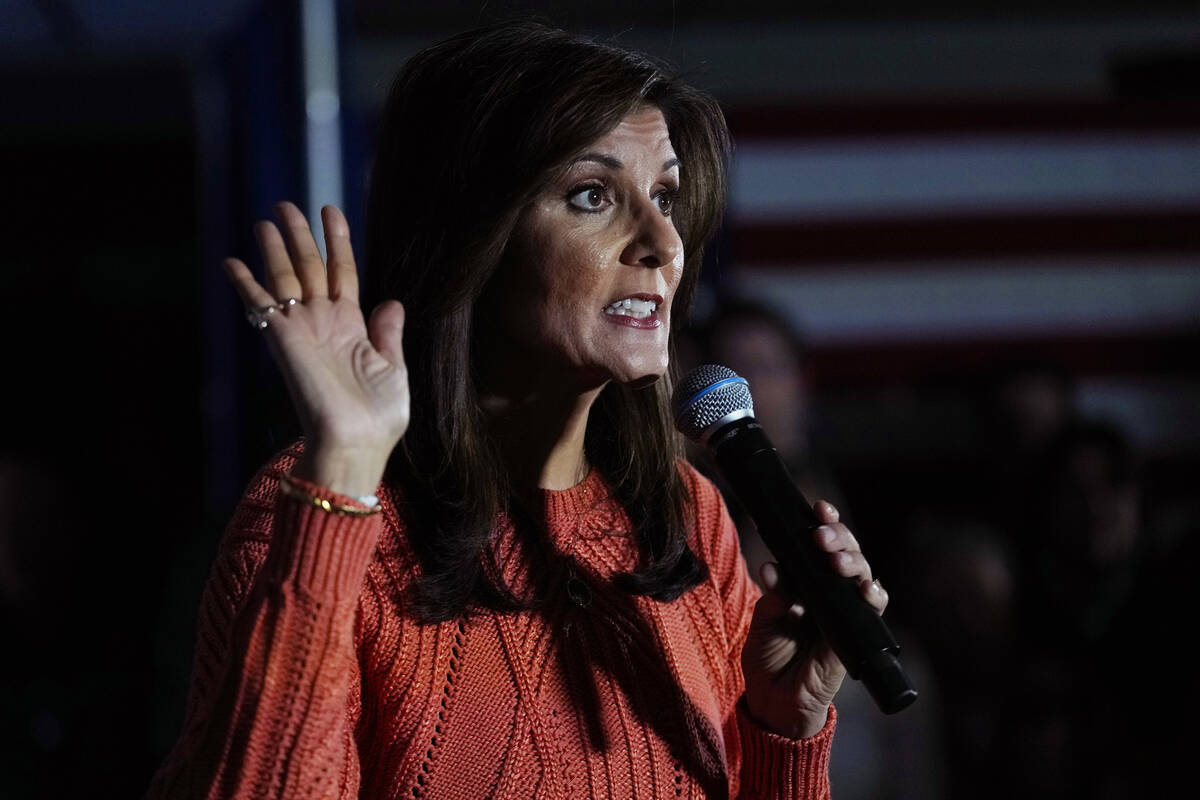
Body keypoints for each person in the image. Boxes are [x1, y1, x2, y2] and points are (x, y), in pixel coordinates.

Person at [147, 21, 888, 799]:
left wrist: (783, 728)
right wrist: (341, 471)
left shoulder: (686, 516)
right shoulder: (318, 515)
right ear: (476, 236)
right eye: (594, 195)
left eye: (665, 195)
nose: (662, 242)